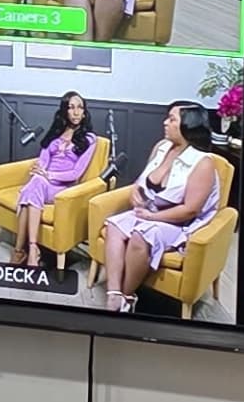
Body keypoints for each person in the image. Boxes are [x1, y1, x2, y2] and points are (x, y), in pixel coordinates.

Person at [96, 101, 224, 312]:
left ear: (188, 126)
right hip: (150, 211)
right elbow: (143, 180)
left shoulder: (203, 163)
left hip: (178, 222)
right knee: (114, 226)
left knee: (141, 236)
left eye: (172, 119)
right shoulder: (161, 147)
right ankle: (114, 293)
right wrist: (135, 191)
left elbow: (190, 209)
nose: (165, 123)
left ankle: (127, 296)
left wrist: (150, 217)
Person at [6, 91, 104, 272]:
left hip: (63, 188)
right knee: (35, 184)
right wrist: (41, 171)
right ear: (64, 111)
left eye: (80, 107)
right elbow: (43, 161)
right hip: (43, 182)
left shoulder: (90, 139)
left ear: (84, 112)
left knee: (34, 186)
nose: (76, 112)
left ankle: (21, 250)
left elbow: (76, 173)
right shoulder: (55, 133)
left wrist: (48, 175)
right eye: (71, 107)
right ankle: (31, 248)